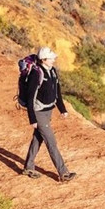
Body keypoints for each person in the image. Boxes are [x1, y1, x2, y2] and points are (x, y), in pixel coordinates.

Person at [20, 46, 75, 182]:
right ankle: (63, 173)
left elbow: (57, 90)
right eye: (51, 58)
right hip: (38, 112)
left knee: (37, 139)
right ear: (44, 60)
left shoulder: (52, 71)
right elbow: (30, 97)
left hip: (48, 110)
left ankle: (28, 167)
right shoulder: (36, 74)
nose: (54, 60)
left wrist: (62, 108)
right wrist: (32, 118)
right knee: (51, 141)